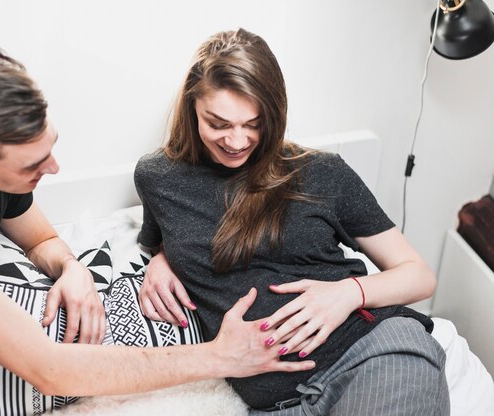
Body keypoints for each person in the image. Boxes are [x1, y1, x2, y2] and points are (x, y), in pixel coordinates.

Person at [0, 43, 315, 416]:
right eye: (33, 165)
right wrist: (218, 356)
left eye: (51, 146)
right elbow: (49, 369)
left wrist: (71, 267)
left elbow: (41, 240)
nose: (54, 168)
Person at [135, 28, 450, 415]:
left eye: (254, 123)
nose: (236, 140)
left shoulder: (321, 173)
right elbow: (173, 235)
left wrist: (348, 292)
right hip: (276, 405)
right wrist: (163, 258)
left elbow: (419, 275)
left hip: (369, 353)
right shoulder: (158, 178)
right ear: (191, 108)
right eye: (218, 123)